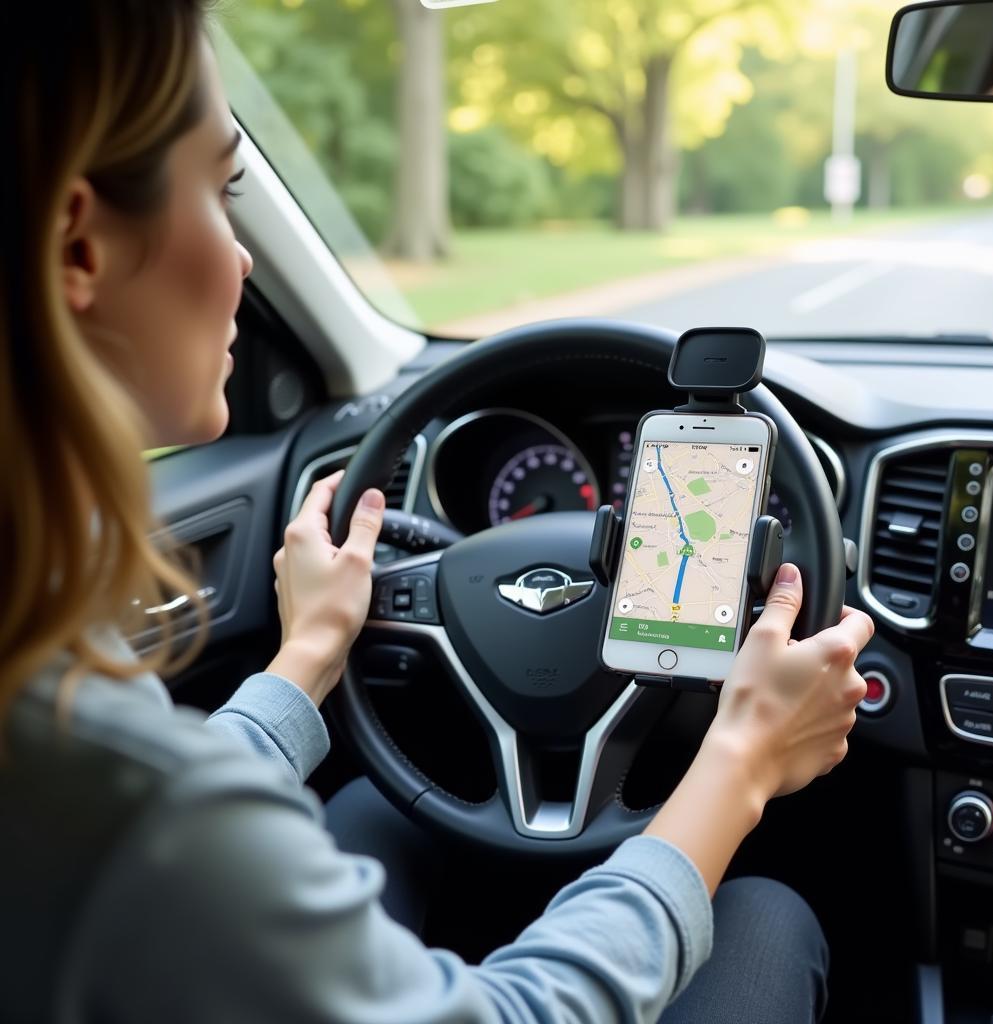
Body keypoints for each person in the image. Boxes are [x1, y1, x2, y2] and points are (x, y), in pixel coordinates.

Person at [0, 3, 873, 1021]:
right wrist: (742, 756)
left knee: (377, 814)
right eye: (222, 185)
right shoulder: (129, 795)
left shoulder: (66, 723)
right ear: (79, 248)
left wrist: (309, 654)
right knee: (764, 914)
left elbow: (151, 810)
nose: (244, 257)